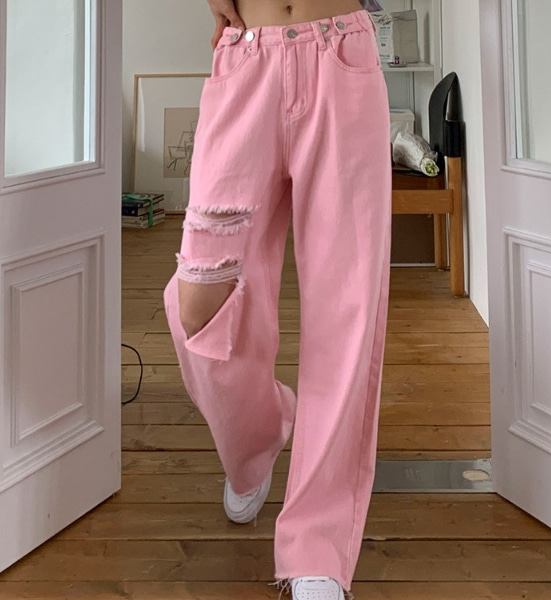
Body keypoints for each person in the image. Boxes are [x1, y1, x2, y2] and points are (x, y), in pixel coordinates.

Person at [163, 0, 391, 597]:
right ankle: (256, 438)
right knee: (199, 300)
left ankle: (317, 546)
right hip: (246, 61)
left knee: (346, 309)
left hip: (342, 55)